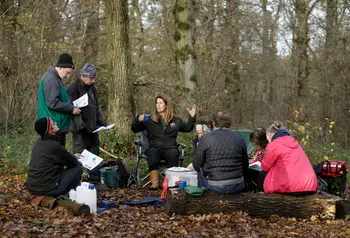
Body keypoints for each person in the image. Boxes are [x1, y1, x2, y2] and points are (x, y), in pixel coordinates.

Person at [131, 94, 196, 189]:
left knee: (174, 153)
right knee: (152, 152)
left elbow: (187, 128)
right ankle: (154, 184)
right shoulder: (149, 119)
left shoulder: (176, 120)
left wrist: (192, 117)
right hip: (154, 148)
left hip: (170, 148)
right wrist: (138, 119)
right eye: (157, 103)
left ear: (166, 105)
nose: (158, 105)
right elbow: (134, 129)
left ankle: (171, 183)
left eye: (160, 103)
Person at [67, 63, 106, 185]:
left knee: (94, 156)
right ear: (84, 76)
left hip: (93, 129)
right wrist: (81, 127)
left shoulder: (92, 88)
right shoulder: (73, 89)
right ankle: (75, 182)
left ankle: (95, 182)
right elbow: (71, 109)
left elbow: (96, 106)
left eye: (94, 78)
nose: (93, 81)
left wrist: (100, 122)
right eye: (91, 78)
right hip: (80, 130)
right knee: (79, 156)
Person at [192, 110, 249, 194]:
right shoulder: (240, 139)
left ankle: (203, 198)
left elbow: (197, 165)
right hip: (237, 184)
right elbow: (245, 165)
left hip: (215, 185)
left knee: (199, 172)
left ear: (214, 123)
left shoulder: (205, 138)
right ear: (230, 123)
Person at [26, 117, 83, 197]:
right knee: (78, 166)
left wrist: (72, 156)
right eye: (54, 123)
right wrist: (74, 158)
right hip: (47, 189)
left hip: (32, 187)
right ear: (50, 130)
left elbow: (59, 157)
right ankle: (70, 193)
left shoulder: (39, 142)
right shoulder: (53, 145)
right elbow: (73, 163)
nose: (56, 123)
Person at [262, 121, 318, 195]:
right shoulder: (295, 143)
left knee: (261, 175)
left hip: (291, 187)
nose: (268, 142)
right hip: (310, 185)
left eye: (268, 139)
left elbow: (265, 166)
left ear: (271, 135)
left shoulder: (274, 144)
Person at [37, 53, 81, 146]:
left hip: (56, 124)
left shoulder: (54, 78)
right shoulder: (51, 79)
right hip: (53, 127)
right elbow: (53, 103)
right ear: (60, 67)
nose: (68, 76)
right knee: (57, 157)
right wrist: (71, 108)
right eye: (67, 73)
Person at [245, 127, 269, 192]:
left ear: (259, 144)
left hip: (260, 177)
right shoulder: (260, 151)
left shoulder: (267, 150)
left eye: (255, 144)